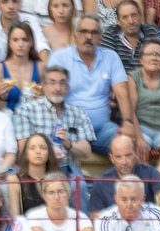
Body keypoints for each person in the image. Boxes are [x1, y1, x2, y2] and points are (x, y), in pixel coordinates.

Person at [48, 14, 136, 155]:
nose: (88, 36)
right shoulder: (59, 57)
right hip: (70, 128)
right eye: (84, 31)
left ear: (100, 37)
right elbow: (52, 94)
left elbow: (122, 93)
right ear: (75, 35)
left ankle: (130, 178)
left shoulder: (111, 57)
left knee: (125, 143)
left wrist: (127, 122)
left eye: (94, 32)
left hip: (102, 129)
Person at [11, 65, 94, 177]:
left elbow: (86, 152)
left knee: (80, 186)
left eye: (62, 83)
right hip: (37, 168)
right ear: (43, 87)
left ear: (68, 88)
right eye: (52, 83)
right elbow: (23, 148)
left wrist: (68, 144)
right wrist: (48, 154)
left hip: (68, 169)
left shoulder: (78, 113)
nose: (58, 88)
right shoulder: (26, 110)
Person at [27, 172, 109, 231]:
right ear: (44, 196)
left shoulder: (80, 216)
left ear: (68, 193)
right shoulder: (34, 216)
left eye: (61, 191)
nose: (56, 197)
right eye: (51, 193)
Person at [89, 133, 160, 219]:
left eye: (128, 155)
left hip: (146, 229)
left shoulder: (149, 172)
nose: (124, 162)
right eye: (118, 157)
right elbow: (97, 218)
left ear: (136, 154)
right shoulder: (101, 182)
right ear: (111, 158)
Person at [0, 22, 40, 114]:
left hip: (33, 117)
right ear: (9, 43)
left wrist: (41, 98)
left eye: (25, 39)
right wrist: (1, 96)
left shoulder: (40, 67)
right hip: (7, 116)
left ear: (31, 42)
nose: (20, 44)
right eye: (15, 40)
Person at [0, 0, 48, 66]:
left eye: (15, 1)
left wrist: (42, 70)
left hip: (30, 70)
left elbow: (42, 47)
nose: (11, 6)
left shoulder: (31, 20)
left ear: (21, 3)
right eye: (5, 2)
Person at [8, 132, 60, 215]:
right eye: (32, 148)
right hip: (26, 227)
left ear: (49, 152)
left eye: (43, 148)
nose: (38, 152)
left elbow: (63, 214)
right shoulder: (15, 180)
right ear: (26, 153)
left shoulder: (58, 179)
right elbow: (15, 218)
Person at [101, 0, 159, 75]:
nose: (131, 21)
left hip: (150, 82)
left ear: (140, 16)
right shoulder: (110, 34)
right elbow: (108, 70)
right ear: (118, 21)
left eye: (134, 15)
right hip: (121, 83)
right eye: (125, 17)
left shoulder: (151, 31)